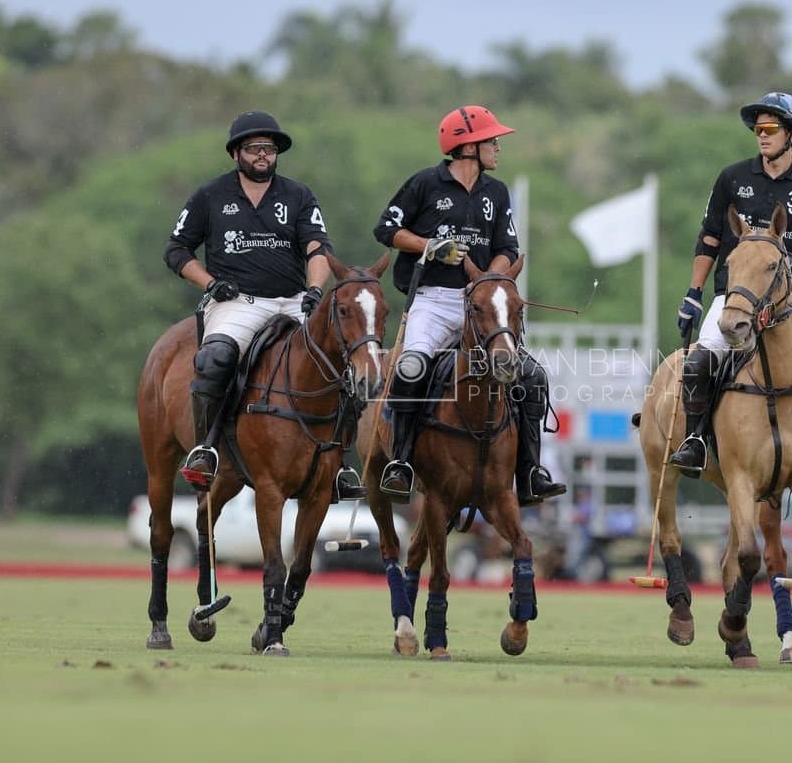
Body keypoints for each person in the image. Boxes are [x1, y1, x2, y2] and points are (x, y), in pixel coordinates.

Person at [668, 91, 792, 493]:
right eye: (758, 128)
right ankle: (694, 441)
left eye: (770, 128)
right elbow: (708, 239)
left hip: (790, 303)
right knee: (698, 365)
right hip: (734, 297)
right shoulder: (732, 178)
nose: (761, 135)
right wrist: (694, 292)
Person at [372, 105, 566, 506]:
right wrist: (429, 245)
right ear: (468, 146)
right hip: (433, 300)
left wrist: (489, 280)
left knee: (530, 376)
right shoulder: (425, 184)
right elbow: (386, 229)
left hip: (482, 303)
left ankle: (530, 472)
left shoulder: (496, 192)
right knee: (411, 368)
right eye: (492, 140)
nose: (498, 146)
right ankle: (402, 464)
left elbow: (506, 248)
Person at [163, 110, 333, 490]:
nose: (262, 155)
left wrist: (315, 289)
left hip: (292, 299)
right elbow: (177, 250)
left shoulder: (298, 195)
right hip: (238, 301)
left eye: (269, 149)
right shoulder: (211, 195)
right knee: (215, 358)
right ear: (236, 153)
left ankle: (338, 459)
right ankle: (206, 449)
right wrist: (210, 284)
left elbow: (317, 247)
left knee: (340, 358)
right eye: (254, 148)